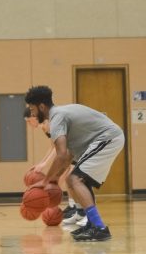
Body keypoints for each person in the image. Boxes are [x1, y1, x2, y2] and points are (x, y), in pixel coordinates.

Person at [25, 85, 125, 242]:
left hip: (108, 138)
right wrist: (54, 180)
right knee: (73, 180)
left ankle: (99, 228)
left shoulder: (57, 117)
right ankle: (93, 224)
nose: (31, 112)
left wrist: (44, 182)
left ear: (42, 106)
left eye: (32, 108)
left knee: (74, 179)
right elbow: (67, 156)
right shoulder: (61, 114)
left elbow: (61, 154)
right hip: (105, 138)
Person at [23, 108, 81, 226]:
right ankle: (73, 207)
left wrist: (45, 164)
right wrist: (41, 162)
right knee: (67, 179)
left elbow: (57, 148)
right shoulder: (44, 127)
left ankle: (81, 211)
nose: (29, 124)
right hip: (70, 149)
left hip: (77, 147)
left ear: (34, 117)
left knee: (72, 179)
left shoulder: (50, 123)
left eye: (29, 121)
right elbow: (52, 147)